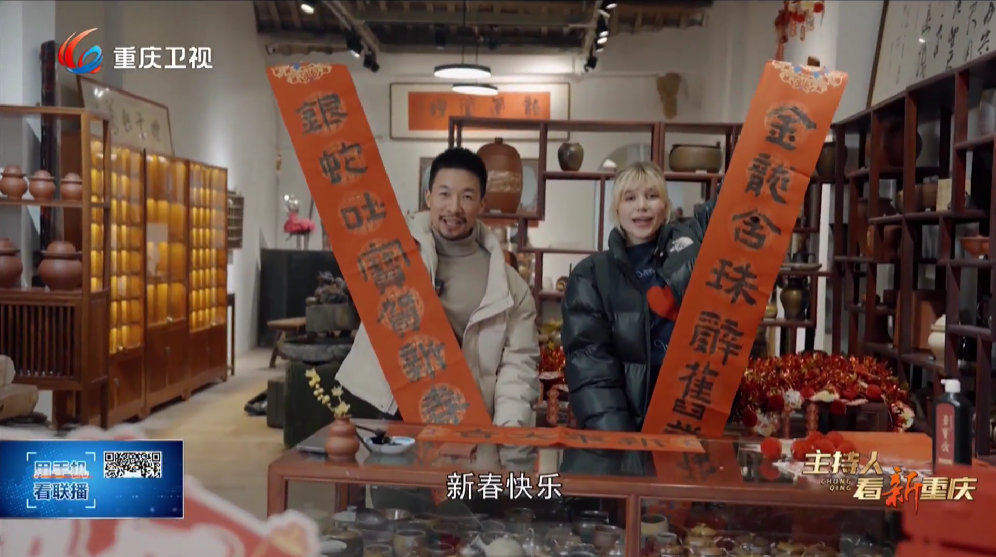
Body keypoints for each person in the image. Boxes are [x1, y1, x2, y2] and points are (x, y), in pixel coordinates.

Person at [335, 147, 540, 429]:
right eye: (444, 194)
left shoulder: (510, 288)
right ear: (428, 197)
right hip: (383, 410)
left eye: (467, 197)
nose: (454, 208)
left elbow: (517, 369)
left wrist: (508, 433)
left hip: (460, 421)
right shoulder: (394, 251)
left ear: (482, 204)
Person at [560, 161, 718, 432]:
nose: (642, 206)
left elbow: (734, 203)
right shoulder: (591, 275)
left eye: (652, 196)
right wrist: (620, 441)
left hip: (692, 416)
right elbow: (592, 372)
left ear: (665, 206)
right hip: (627, 428)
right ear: (616, 210)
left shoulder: (690, 246)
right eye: (630, 198)